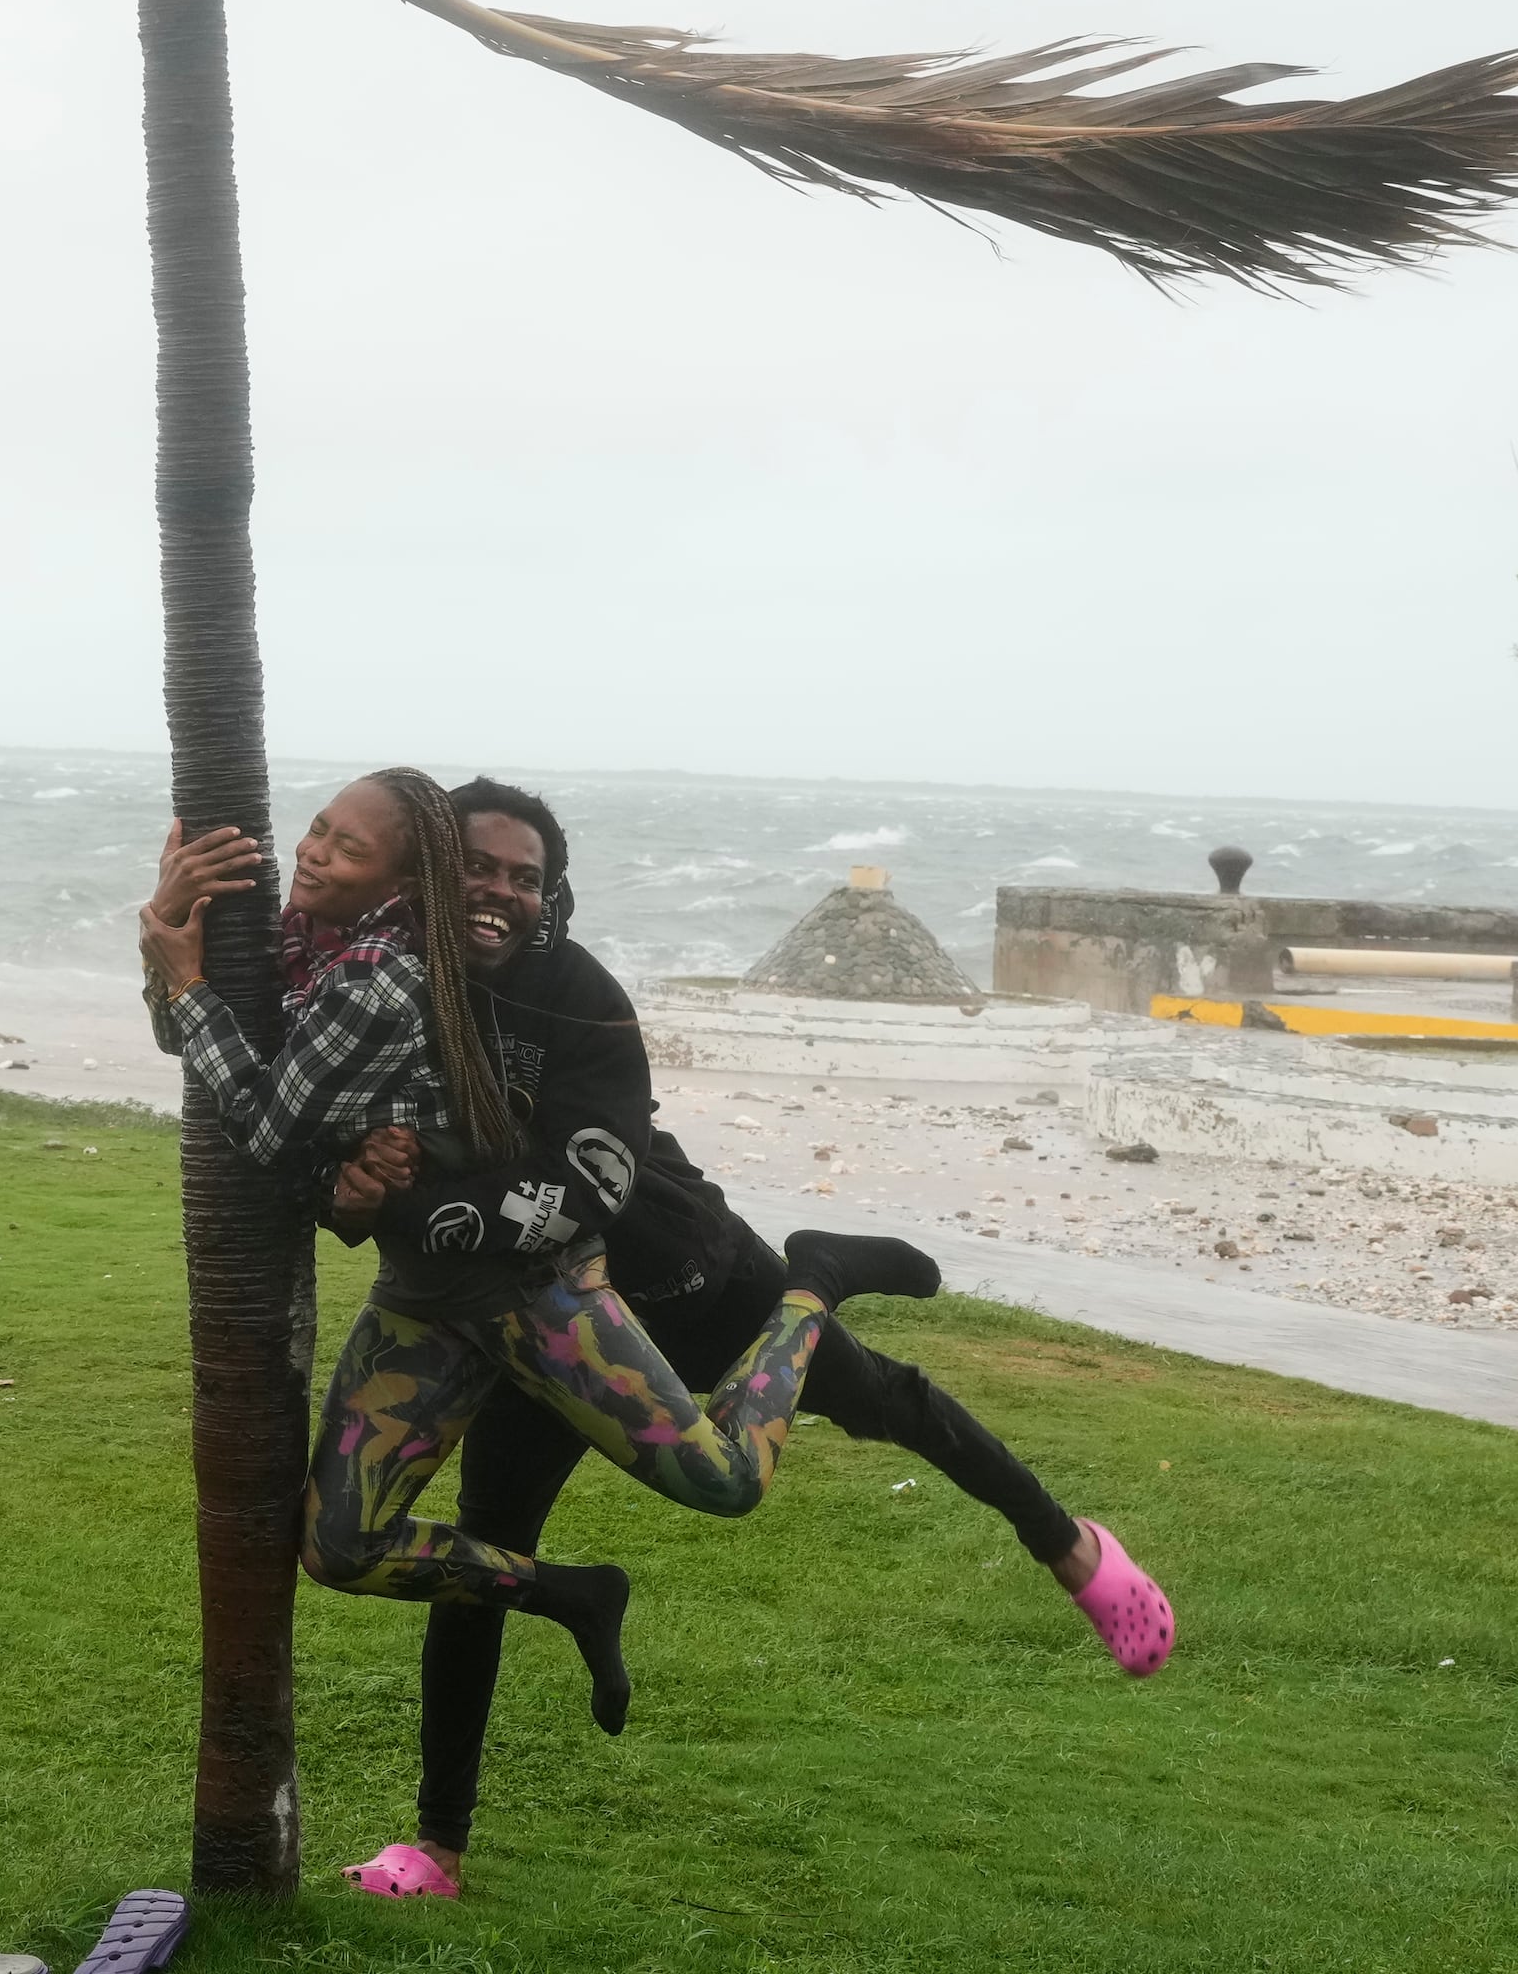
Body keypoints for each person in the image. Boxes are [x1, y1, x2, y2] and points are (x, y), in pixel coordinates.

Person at [326, 777, 1174, 1897]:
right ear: (436, 869)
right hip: (527, 1313)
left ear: (551, 897)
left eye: (524, 878)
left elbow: (590, 1177)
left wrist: (414, 1205)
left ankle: (1066, 1543)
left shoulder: (577, 994)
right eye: (477, 866)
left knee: (883, 1402)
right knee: (485, 1550)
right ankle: (437, 1847)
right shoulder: (388, 980)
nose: (499, 891)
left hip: (686, 1273)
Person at [136, 770, 904, 1747]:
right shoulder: (309, 945)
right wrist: (172, 932)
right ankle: (574, 1594)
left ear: (402, 883)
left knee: (725, 1481)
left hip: (536, 1291)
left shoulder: (379, 977)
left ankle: (813, 1284)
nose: (314, 851)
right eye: (318, 829)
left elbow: (265, 1127)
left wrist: (187, 981)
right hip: (426, 1293)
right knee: (339, 1545)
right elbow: (213, 1050)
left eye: (348, 845)